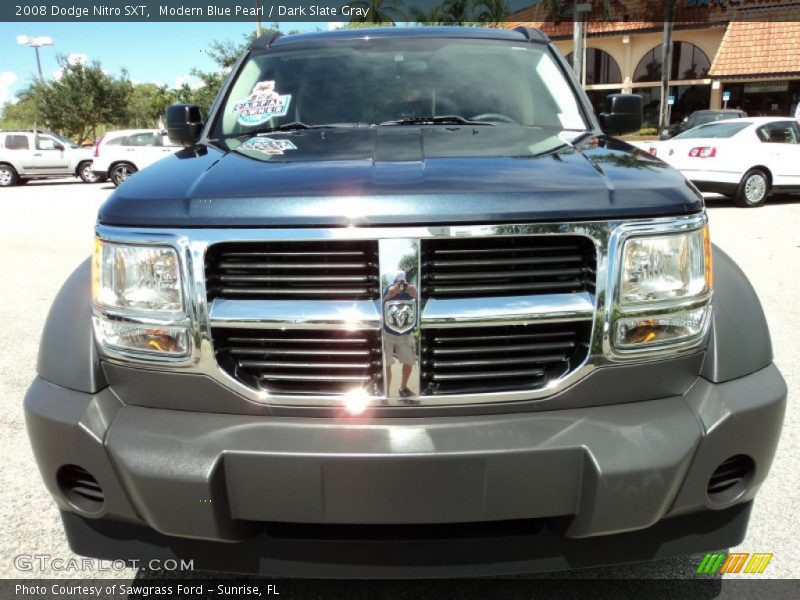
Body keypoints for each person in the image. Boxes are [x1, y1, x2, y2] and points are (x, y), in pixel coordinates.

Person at [382, 271, 419, 404]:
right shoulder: (388, 289)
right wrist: (390, 293)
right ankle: (385, 392)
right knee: (386, 364)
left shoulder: (412, 289)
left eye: (403, 282)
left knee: (409, 361)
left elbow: (418, 299)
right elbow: (381, 302)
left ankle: (403, 387)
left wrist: (414, 292)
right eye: (399, 282)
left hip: (406, 333)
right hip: (388, 332)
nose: (401, 285)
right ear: (394, 282)